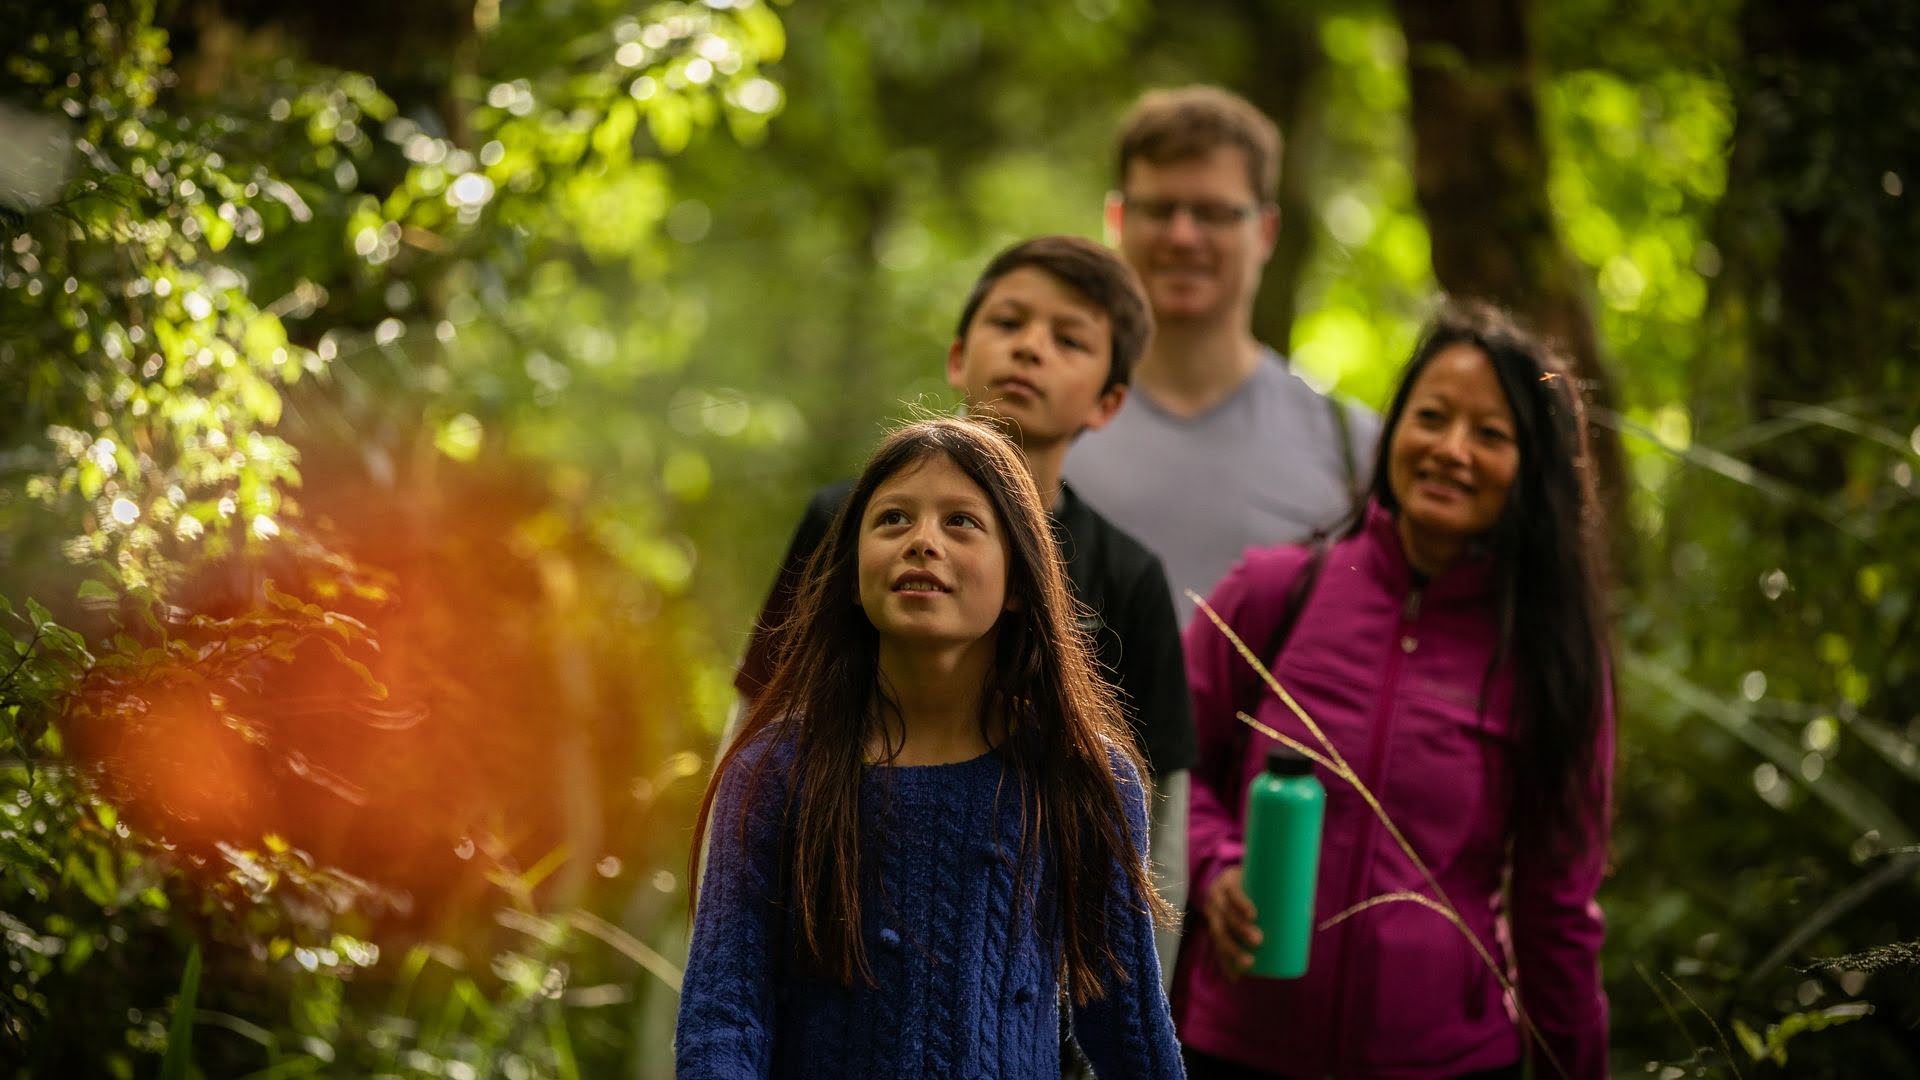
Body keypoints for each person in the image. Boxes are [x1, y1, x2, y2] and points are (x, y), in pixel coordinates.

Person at [729, 236, 1197, 983]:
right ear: (958, 356)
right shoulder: (842, 523)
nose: (1030, 349)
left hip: (1022, 990)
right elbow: (756, 723)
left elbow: (1161, 810)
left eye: (1069, 339)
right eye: (1008, 323)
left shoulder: (1129, 576)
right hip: (827, 955)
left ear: (1109, 402)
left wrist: (1131, 992)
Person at [1177, 300, 1613, 1079]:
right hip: (1233, 1050)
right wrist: (1216, 867)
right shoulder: (1277, 593)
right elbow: (1152, 761)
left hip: (1445, 1062)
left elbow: (1557, 914)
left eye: (1490, 434)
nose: (1451, 450)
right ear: (1393, 431)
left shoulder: (1549, 659)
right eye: (1432, 417)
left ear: (1532, 468)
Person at [678, 417, 1184, 1077]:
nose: (921, 542)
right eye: (892, 519)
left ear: (1018, 583)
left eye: (962, 523)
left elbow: (1130, 1031)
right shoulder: (774, 771)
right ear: (853, 572)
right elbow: (724, 1018)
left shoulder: (1083, 777)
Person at [1065, 85, 1377, 625]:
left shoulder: (1354, 448)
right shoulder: (1036, 424)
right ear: (1116, 222)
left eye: (1213, 213)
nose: (1183, 236)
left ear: (1267, 231)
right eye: (1159, 209)